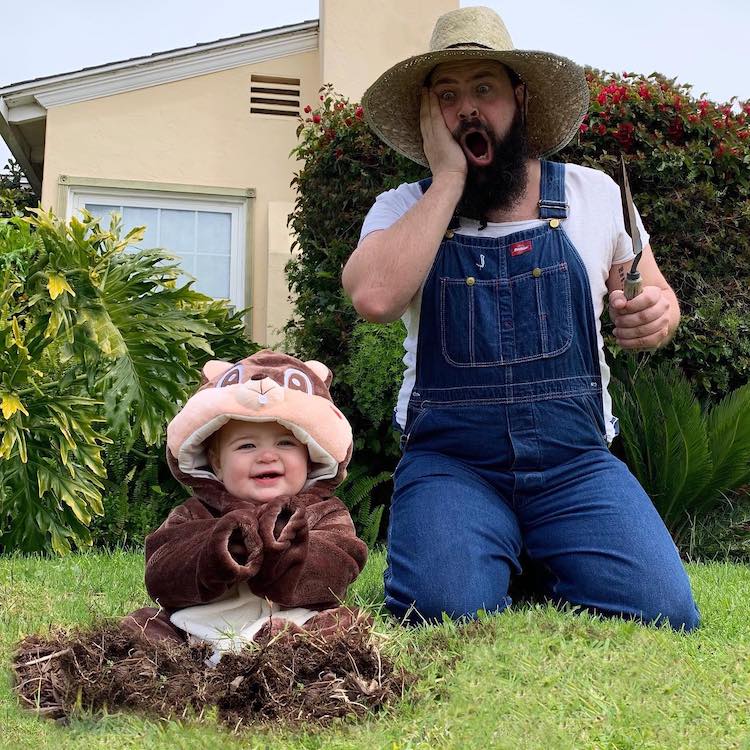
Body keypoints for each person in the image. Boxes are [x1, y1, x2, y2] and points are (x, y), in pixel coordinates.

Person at [342, 6, 699, 630]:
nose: (467, 109)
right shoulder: (402, 208)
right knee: (443, 609)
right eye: (447, 95)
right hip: (452, 463)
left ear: (520, 97)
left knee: (665, 610)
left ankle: (528, 548)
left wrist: (655, 315)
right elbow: (373, 297)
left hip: (575, 463)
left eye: (484, 88)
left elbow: (655, 300)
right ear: (428, 115)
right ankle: (496, 545)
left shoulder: (595, 195)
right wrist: (448, 180)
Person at [123, 350, 368, 658]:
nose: (267, 455)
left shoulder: (326, 513)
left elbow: (339, 567)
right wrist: (220, 548)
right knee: (142, 626)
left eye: (285, 443)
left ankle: (278, 656)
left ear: (310, 455)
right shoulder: (193, 513)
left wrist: (287, 552)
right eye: (247, 445)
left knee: (342, 624)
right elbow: (162, 572)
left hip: (292, 625)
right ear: (217, 463)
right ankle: (178, 664)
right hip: (196, 631)